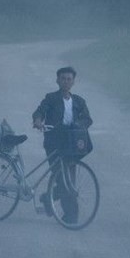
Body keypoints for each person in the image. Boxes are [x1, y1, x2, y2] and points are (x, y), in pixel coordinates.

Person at [32, 66, 93, 224]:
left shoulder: (79, 101)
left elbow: (87, 119)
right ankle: (70, 216)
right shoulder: (51, 98)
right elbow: (39, 111)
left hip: (72, 144)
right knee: (61, 177)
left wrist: (77, 124)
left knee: (68, 180)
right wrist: (38, 121)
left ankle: (50, 199)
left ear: (73, 82)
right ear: (57, 80)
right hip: (54, 143)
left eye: (69, 79)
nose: (66, 81)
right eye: (63, 78)